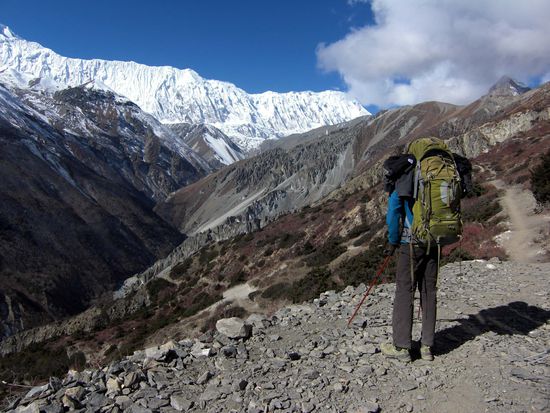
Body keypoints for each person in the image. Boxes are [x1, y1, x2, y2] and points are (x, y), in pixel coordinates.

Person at [380, 151, 438, 362]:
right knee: (428, 291)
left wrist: (393, 240)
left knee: (405, 291)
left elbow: (394, 213)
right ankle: (427, 346)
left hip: (410, 243)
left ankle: (402, 346)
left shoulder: (404, 178)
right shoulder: (433, 176)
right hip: (435, 240)